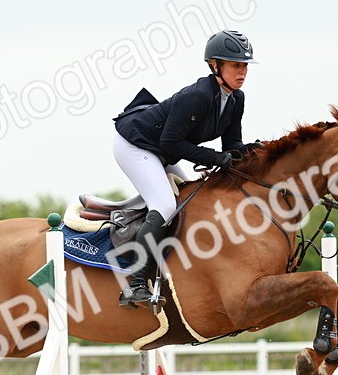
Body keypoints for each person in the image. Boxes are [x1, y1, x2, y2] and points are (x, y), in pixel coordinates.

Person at [112, 29, 262, 309]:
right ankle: (133, 284)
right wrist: (215, 158)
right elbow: (172, 142)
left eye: (244, 66)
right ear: (214, 66)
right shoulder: (199, 96)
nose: (242, 72)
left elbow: (231, 144)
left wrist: (253, 150)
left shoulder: (235, 99)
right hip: (134, 145)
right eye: (235, 65)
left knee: (188, 204)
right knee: (166, 205)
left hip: (162, 150)